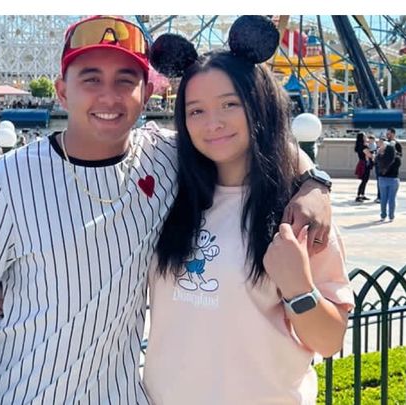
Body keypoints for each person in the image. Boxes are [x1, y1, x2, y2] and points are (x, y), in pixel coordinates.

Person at [0, 15, 332, 405]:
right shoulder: (9, 179)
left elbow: (243, 139)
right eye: (91, 79)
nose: (109, 97)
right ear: (62, 92)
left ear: (148, 93)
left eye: (126, 81)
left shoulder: (164, 156)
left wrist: (315, 184)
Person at [143, 16, 353, 404]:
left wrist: (298, 288)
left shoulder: (297, 213)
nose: (213, 123)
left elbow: (329, 340)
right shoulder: (169, 190)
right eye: (196, 111)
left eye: (230, 104)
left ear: (258, 104)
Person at [376, 142, 401, 222]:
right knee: (392, 199)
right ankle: (391, 216)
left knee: (383, 199)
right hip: (393, 180)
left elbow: (376, 163)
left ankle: (383, 215)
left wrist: (379, 152)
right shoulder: (397, 159)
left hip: (382, 179)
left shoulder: (381, 158)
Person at [354, 132, 372, 203]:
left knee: (364, 180)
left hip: (362, 163)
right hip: (364, 164)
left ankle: (362, 194)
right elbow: (369, 155)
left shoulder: (359, 146)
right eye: (364, 136)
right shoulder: (363, 146)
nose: (366, 137)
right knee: (364, 180)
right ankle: (359, 195)